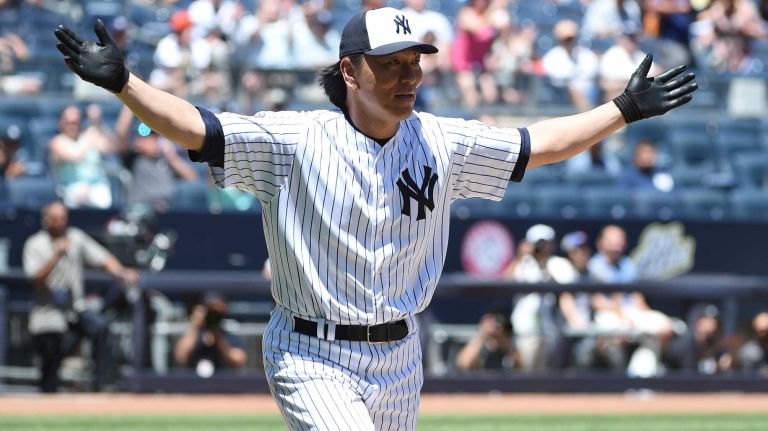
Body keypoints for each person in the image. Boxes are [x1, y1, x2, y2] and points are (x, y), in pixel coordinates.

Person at [54, 7, 696, 429]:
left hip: (400, 355)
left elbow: (537, 145)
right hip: (312, 350)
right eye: (389, 65)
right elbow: (200, 128)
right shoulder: (295, 141)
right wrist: (125, 85)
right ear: (349, 72)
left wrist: (621, 110)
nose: (407, 76)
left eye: (414, 63)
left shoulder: (442, 142)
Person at [22, 201, 139, 392]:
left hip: (74, 308)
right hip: (48, 312)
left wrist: (121, 272)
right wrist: (55, 255)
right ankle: (47, 396)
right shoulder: (35, 244)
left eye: (63, 218)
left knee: (100, 328)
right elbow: (35, 278)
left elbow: (102, 258)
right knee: (50, 360)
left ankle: (101, 385)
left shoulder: (75, 237)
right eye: (56, 219)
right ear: (46, 220)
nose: (60, 223)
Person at [507, 224, 578, 371]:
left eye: (545, 243)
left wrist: (544, 265)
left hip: (550, 329)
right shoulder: (523, 264)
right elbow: (506, 281)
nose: (542, 247)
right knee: (524, 374)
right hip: (524, 329)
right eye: (538, 243)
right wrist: (520, 256)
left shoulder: (559, 264)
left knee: (546, 377)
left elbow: (567, 292)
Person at [174, 291, 247, 376]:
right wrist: (195, 326)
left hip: (223, 384)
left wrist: (218, 339)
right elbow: (181, 356)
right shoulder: (194, 333)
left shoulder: (228, 333)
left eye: (217, 310)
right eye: (210, 309)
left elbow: (238, 360)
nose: (212, 315)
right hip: (194, 385)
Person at [455, 306, 518, 371]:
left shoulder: (510, 346)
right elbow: (464, 365)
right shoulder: (477, 344)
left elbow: (521, 366)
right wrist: (483, 334)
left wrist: (502, 340)